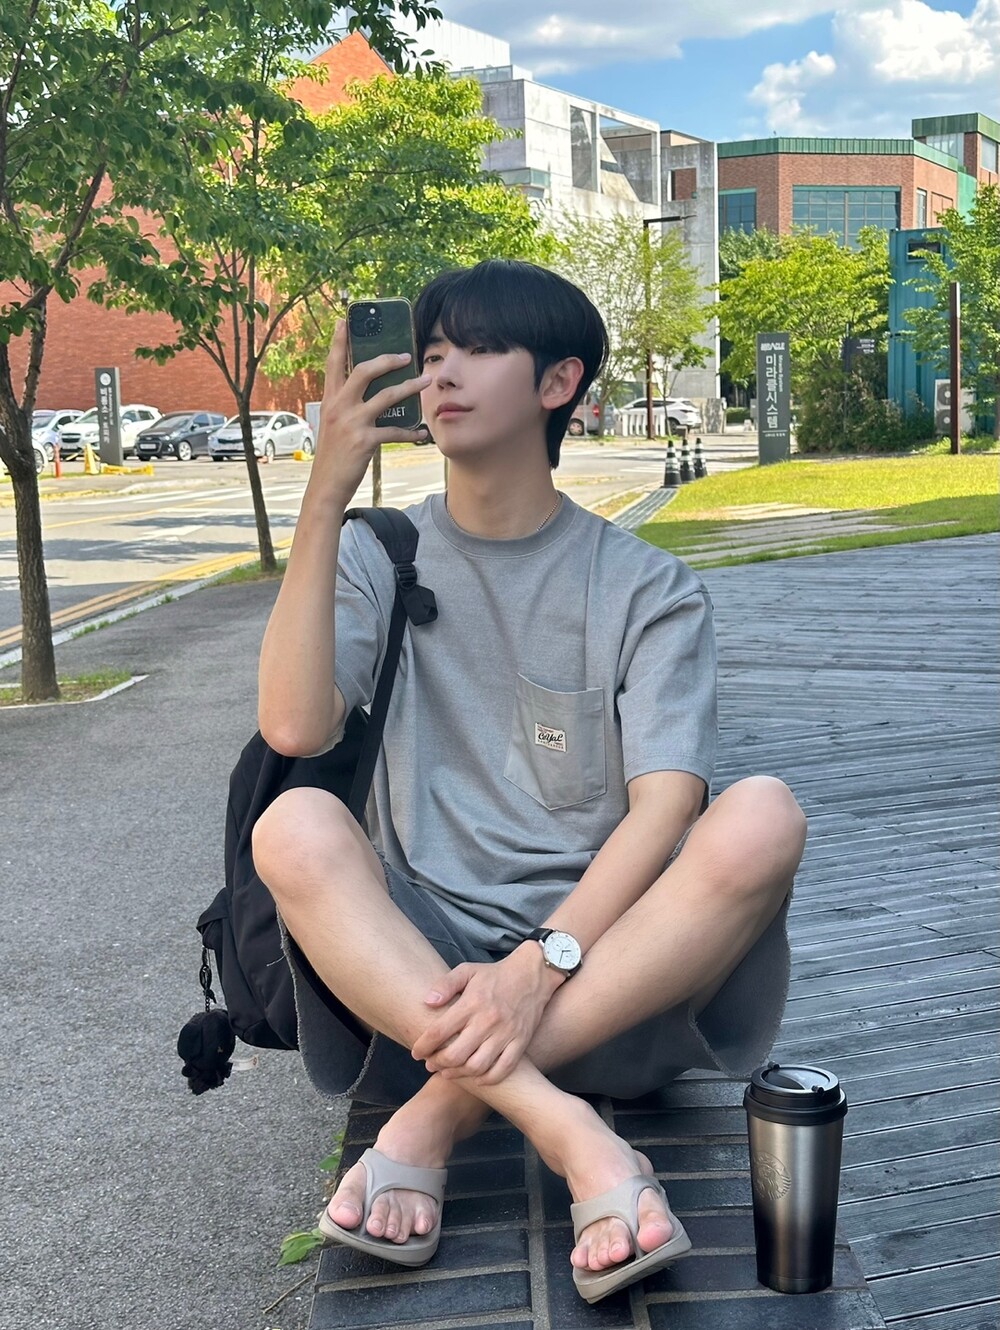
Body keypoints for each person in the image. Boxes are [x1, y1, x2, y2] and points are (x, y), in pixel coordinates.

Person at [252, 258, 806, 1304]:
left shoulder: (646, 586)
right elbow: (292, 724)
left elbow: (666, 809)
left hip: (614, 979)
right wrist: (325, 494)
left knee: (763, 814)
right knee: (293, 824)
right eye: (430, 352)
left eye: (477, 347)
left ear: (559, 382)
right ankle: (572, 1134)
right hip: (423, 978)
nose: (440, 372)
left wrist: (539, 966)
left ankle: (435, 1117)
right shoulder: (379, 553)